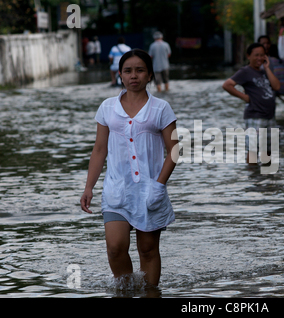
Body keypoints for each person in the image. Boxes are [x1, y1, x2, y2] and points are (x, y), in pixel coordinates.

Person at [80, 49, 179, 288]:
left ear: (149, 75)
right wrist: (88, 187)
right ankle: (125, 291)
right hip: (117, 189)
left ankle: (150, 293)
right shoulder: (107, 107)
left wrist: (159, 186)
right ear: (120, 75)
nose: (133, 75)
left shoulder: (161, 108)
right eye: (128, 71)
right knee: (115, 248)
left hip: (150, 190)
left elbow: (175, 150)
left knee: (147, 249)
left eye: (139, 70)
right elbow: (99, 150)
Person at [222, 43, 280, 164]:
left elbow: (277, 86)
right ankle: (252, 177)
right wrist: (245, 97)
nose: (259, 58)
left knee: (269, 150)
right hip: (255, 116)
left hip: (270, 116)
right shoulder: (245, 71)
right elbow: (227, 85)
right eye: (256, 55)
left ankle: (267, 178)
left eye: (262, 55)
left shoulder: (265, 71)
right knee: (253, 150)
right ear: (248, 56)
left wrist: (267, 68)